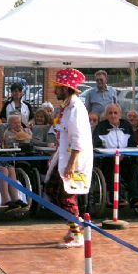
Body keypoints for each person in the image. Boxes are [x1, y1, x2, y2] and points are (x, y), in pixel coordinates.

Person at [42, 69, 93, 248]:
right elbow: (63, 137)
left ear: (65, 88)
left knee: (66, 196)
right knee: (52, 190)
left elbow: (78, 138)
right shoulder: (67, 108)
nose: (55, 91)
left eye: (58, 88)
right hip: (64, 157)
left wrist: (71, 164)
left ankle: (77, 234)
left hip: (74, 160)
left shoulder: (76, 109)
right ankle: (75, 226)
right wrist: (56, 157)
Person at [93, 103, 138, 208]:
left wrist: (124, 154)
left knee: (134, 169)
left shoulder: (126, 125)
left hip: (124, 158)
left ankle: (135, 197)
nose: (113, 115)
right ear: (106, 115)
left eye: (115, 113)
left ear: (120, 114)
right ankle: (117, 198)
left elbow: (132, 143)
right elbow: (96, 145)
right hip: (108, 159)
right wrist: (110, 154)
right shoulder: (101, 127)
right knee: (111, 169)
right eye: (110, 113)